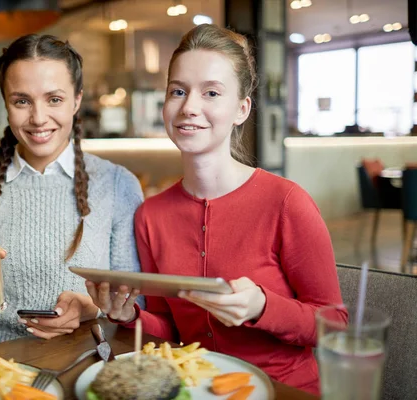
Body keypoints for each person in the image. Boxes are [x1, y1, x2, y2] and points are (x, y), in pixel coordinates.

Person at [85, 24, 344, 396]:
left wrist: (262, 307)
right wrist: (130, 316)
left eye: (211, 93)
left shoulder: (286, 202)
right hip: (197, 388)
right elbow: (169, 330)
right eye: (178, 91)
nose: (189, 107)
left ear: (242, 109)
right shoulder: (150, 216)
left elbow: (336, 325)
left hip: (282, 390)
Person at [0, 34, 144, 350]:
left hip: (82, 361)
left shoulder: (117, 185)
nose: (38, 118)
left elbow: (135, 304)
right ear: (6, 103)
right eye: (21, 100)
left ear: (77, 100)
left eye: (54, 99)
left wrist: (91, 310)